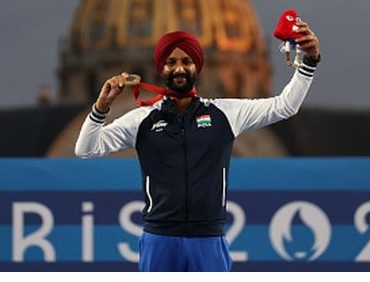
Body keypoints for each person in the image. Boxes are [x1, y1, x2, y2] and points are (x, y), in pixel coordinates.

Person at [75, 21, 321, 272]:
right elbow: (85, 149)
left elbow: (285, 106)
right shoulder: (141, 119)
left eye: (186, 61)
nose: (179, 68)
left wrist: (308, 63)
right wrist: (101, 107)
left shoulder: (225, 113)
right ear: (161, 68)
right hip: (159, 240)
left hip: (208, 240)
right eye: (171, 62)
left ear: (197, 67)